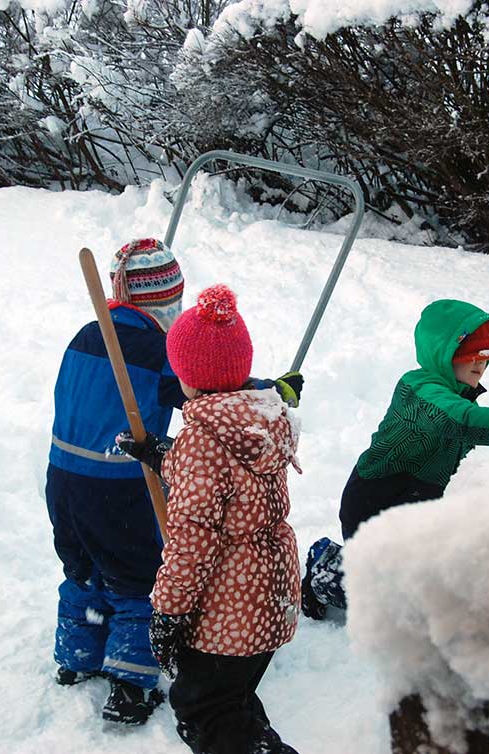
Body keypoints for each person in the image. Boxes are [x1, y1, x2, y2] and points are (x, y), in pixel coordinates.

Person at [46, 239, 304, 726]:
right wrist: (274, 391)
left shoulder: (85, 334)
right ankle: (129, 683)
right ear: (166, 303)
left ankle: (75, 657)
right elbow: (211, 387)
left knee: (82, 568)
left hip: (62, 477)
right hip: (117, 485)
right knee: (137, 576)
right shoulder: (154, 349)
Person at [301, 298, 489, 620]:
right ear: (444, 356)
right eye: (470, 357)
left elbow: (476, 429)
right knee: (397, 607)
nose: (479, 366)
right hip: (376, 504)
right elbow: (460, 420)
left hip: (421, 505)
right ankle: (326, 567)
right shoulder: (419, 391)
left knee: (437, 592)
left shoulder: (458, 395)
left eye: (486, 358)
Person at [117, 284, 303, 754]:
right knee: (232, 700)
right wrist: (165, 456)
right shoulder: (259, 418)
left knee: (206, 712)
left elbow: (191, 542)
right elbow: (229, 484)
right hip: (271, 594)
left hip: (230, 608)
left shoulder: (204, 439)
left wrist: (168, 612)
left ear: (189, 376)